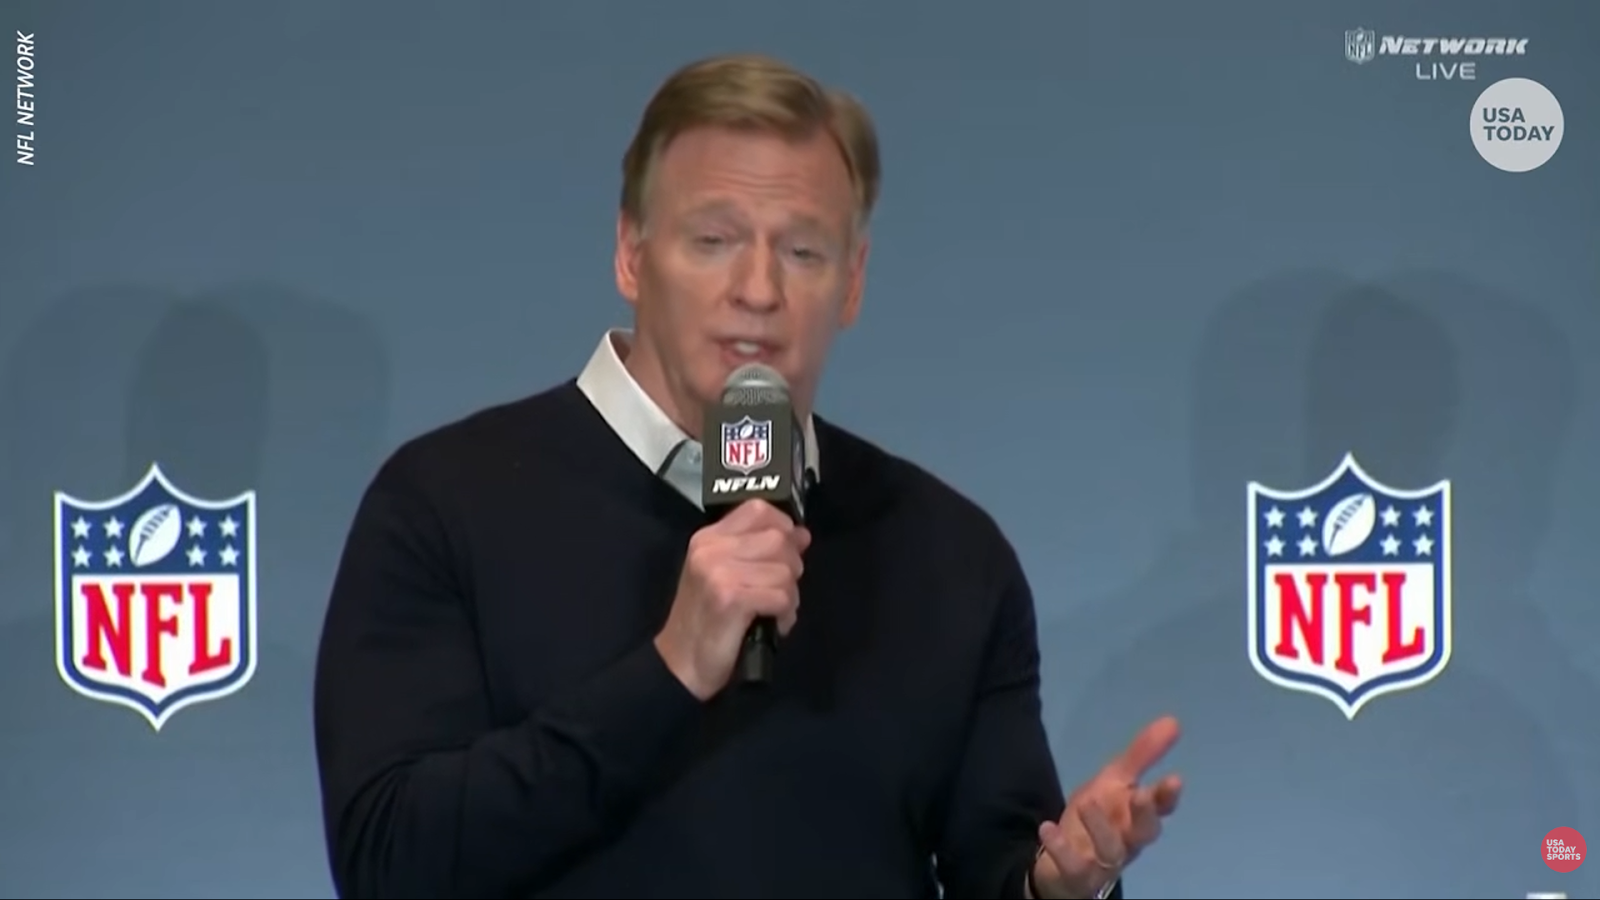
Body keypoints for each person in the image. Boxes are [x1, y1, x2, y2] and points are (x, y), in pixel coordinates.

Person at [312, 53, 1183, 899]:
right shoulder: (445, 503)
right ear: (631, 253)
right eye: (714, 240)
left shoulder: (948, 552)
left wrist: (1061, 887)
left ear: (853, 283)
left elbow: (999, 864)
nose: (759, 289)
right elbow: (389, 863)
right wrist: (669, 671)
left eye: (802, 252)